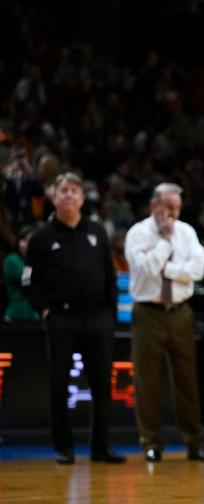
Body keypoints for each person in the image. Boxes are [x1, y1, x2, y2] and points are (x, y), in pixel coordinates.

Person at [22, 172, 126, 464]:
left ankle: (101, 447)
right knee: (59, 385)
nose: (68, 195)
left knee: (102, 385)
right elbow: (28, 280)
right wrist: (44, 310)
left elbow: (109, 274)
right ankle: (64, 448)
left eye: (73, 190)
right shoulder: (42, 237)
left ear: (81, 198)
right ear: (53, 198)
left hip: (98, 320)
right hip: (61, 320)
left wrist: (111, 312)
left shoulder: (96, 231)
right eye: (63, 190)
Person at [124, 182, 204, 462]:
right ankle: (150, 442)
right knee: (147, 380)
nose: (173, 213)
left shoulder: (187, 232)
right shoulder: (137, 233)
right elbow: (148, 269)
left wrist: (169, 268)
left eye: (177, 207)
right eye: (168, 207)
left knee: (187, 379)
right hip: (148, 311)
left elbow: (198, 270)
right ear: (154, 206)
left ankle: (195, 443)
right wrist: (163, 242)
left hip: (181, 311)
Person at [4, 226, 39, 320]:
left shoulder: (39, 260)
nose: (22, 244)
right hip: (17, 314)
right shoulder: (11, 260)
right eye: (22, 239)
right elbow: (26, 279)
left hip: (36, 315)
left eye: (28, 241)